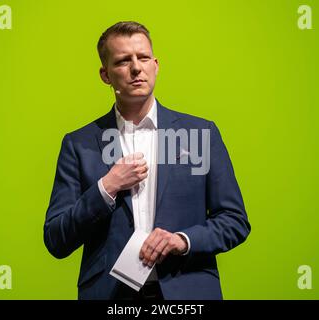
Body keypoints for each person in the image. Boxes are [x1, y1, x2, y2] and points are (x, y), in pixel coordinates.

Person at [44, 21, 251, 300]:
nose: (136, 68)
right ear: (105, 75)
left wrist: (182, 240)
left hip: (187, 292)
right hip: (111, 295)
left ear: (156, 64)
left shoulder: (200, 133)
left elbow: (235, 221)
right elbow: (56, 239)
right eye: (123, 61)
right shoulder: (78, 144)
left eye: (143, 57)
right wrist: (106, 187)